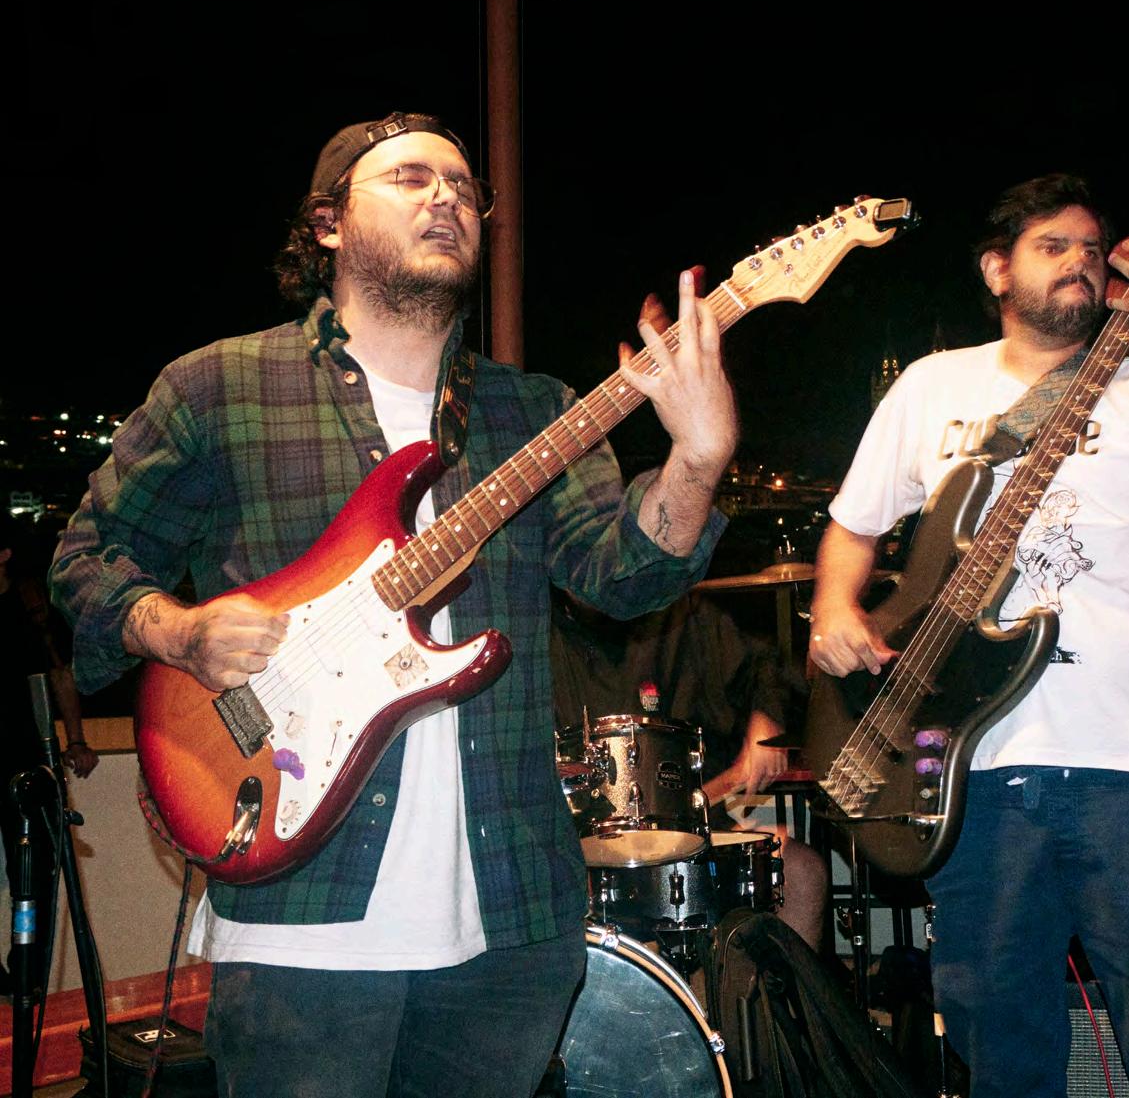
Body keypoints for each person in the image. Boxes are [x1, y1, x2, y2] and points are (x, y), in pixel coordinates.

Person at [49, 112, 738, 1098]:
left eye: (463, 187)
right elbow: (86, 559)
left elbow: (623, 574)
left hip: (509, 924)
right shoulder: (219, 388)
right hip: (301, 918)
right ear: (327, 224)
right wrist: (181, 629)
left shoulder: (535, 410)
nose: (446, 197)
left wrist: (698, 459)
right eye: (411, 178)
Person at [809, 174, 1129, 1097]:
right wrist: (835, 608)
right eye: (1051, 246)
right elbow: (852, 527)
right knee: (1000, 1048)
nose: (1080, 261)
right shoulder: (932, 385)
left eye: (1091, 249)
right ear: (996, 270)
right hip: (974, 772)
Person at [548, 587, 827, 947]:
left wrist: (765, 717)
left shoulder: (685, 614)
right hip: (583, 851)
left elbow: (767, 668)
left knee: (803, 874)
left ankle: (764, 986)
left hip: (697, 831)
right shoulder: (540, 635)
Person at [2, 517, 98, 995]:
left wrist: (76, 740)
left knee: (37, 870)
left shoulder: (31, 605)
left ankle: (29, 977)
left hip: (26, 757)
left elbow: (61, 674)